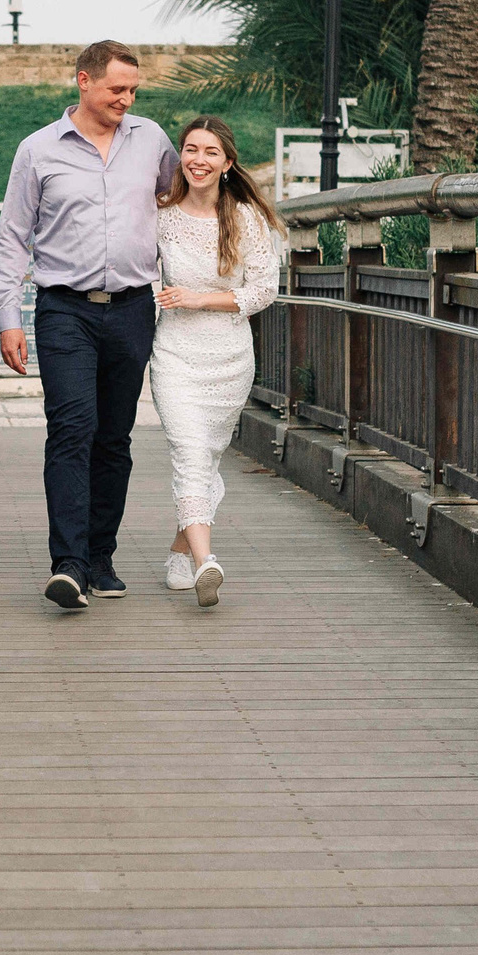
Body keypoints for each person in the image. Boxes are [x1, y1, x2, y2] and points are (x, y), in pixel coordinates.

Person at [0, 40, 178, 610]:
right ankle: (68, 564)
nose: (127, 99)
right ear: (84, 81)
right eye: (118, 89)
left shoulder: (152, 141)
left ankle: (100, 557)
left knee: (114, 437)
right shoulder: (37, 150)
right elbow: (12, 238)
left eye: (134, 90)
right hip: (64, 308)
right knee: (72, 428)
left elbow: (182, 199)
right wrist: (7, 319)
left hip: (133, 309)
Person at [150, 116, 284, 607]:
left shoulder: (245, 218)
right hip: (174, 355)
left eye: (210, 152)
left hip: (229, 358)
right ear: (180, 156)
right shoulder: (161, 214)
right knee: (189, 451)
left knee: (205, 457)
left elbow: (264, 290)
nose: (198, 160)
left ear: (227, 163)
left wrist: (199, 299)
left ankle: (179, 552)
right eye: (190, 149)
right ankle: (207, 561)